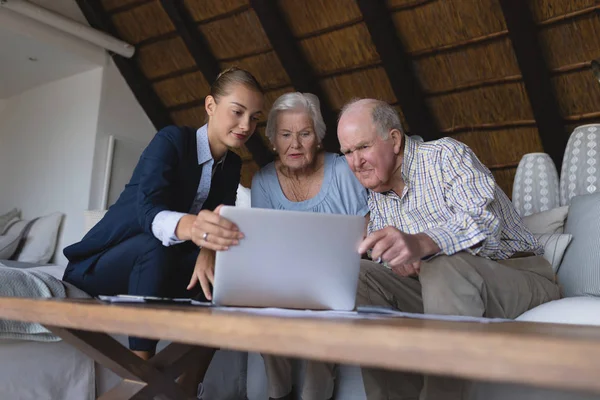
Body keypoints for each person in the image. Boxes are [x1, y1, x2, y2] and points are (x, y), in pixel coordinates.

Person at [336, 98, 560, 400]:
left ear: (394, 140)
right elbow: (403, 263)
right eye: (347, 152)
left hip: (515, 276)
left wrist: (420, 245)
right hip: (440, 290)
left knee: (442, 263)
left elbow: (483, 221)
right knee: (359, 275)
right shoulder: (378, 193)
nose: (355, 162)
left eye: (363, 147)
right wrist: (397, 262)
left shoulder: (445, 156)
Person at [62, 67, 265, 369]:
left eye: (254, 117)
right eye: (237, 112)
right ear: (211, 106)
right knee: (155, 245)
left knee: (224, 276)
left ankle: (189, 386)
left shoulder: (232, 164)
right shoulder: (171, 141)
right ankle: (141, 377)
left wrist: (208, 251)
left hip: (161, 268)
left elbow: (221, 216)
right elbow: (148, 211)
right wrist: (193, 229)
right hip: (100, 265)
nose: (246, 124)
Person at [251, 92, 369, 400]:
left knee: (328, 314)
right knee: (264, 308)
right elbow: (264, 245)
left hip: (337, 278)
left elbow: (366, 229)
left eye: (305, 133)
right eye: (285, 134)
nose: (295, 144)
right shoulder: (263, 181)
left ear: (318, 137)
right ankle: (278, 392)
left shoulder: (345, 170)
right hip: (284, 280)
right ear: (273, 140)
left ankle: (315, 395)